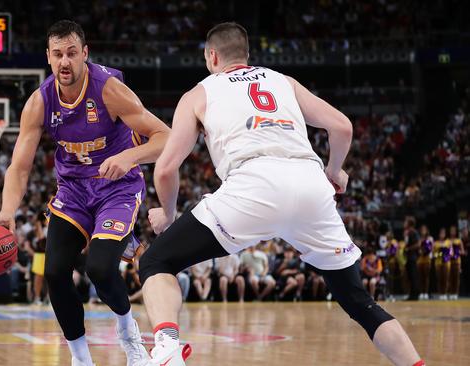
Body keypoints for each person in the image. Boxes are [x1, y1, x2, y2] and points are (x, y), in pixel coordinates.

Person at [137, 22, 423, 366]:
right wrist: (333, 171)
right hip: (310, 184)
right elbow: (342, 126)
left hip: (253, 184)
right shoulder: (282, 81)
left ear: (212, 56)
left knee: (157, 261)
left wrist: (167, 213)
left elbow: (166, 168)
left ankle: (167, 347)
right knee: (358, 300)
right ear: (247, 55)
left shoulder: (199, 93)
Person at [0, 20, 170, 366]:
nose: (64, 62)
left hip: (118, 188)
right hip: (74, 190)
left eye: (71, 53)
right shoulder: (40, 101)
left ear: (85, 54)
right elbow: (20, 167)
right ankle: (81, 359)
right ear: (49, 59)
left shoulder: (110, 90)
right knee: (54, 273)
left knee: (98, 268)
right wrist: (7, 212)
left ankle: (129, 334)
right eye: (57, 55)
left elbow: (165, 137)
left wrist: (128, 157)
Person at [403, 217, 420, 300]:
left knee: (413, 276)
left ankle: (415, 295)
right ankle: (412, 294)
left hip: (412, 257)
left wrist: (408, 249)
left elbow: (418, 244)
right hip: (408, 257)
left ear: (409, 223)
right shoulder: (407, 232)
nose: (404, 223)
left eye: (405, 222)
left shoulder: (413, 232)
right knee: (410, 276)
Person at [434, 228, 451, 300]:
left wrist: (446, 254)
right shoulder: (436, 243)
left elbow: (451, 252)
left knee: (445, 278)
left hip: (446, 262)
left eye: (443, 233)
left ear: (445, 234)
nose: (442, 234)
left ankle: (445, 293)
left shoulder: (448, 242)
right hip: (438, 263)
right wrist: (438, 254)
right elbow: (433, 254)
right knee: (440, 279)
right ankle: (440, 293)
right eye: (441, 233)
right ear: (439, 234)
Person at [416, 225, 433, 300]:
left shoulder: (430, 238)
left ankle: (426, 292)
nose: (423, 231)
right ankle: (421, 292)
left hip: (427, 259)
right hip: (420, 260)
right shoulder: (419, 238)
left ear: (427, 230)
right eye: (422, 229)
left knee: (426, 277)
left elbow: (431, 248)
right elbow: (418, 248)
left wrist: (427, 252)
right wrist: (420, 251)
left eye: (424, 229)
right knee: (420, 277)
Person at [448, 225, 464, 300]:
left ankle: (455, 293)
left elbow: (463, 252)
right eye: (451, 230)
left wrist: (457, 252)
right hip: (449, 261)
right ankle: (451, 293)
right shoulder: (447, 240)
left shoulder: (458, 240)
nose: (452, 232)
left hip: (457, 261)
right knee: (450, 278)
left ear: (456, 231)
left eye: (454, 230)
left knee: (456, 278)